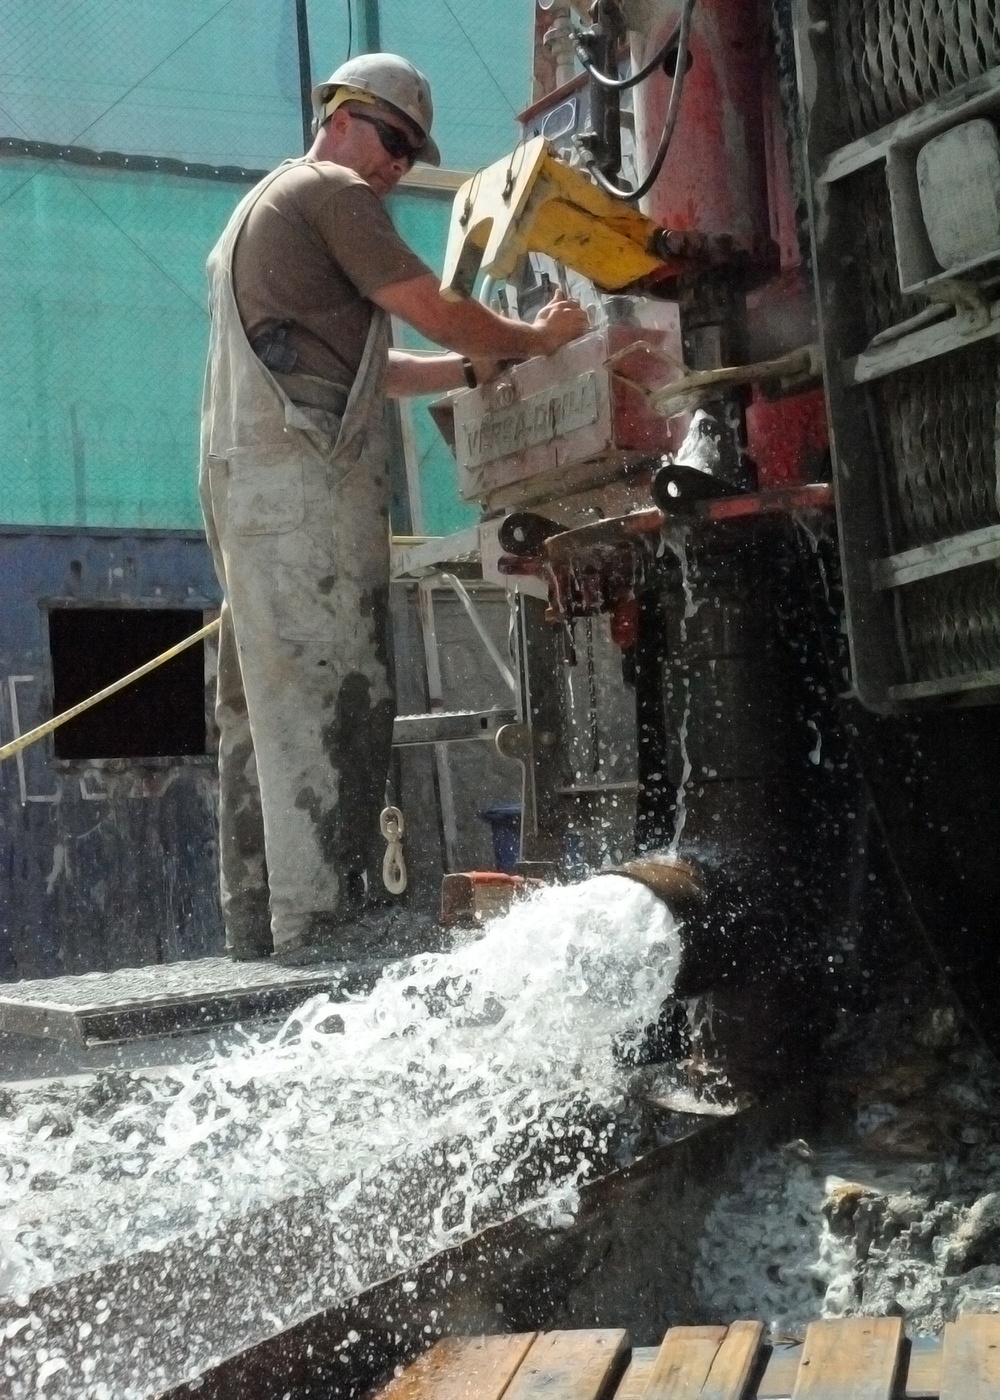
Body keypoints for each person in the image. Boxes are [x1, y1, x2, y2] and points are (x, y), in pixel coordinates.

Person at [200, 52, 588, 966]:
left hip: (251, 482)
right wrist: (537, 338)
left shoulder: (258, 211)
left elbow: (375, 373)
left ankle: (259, 926)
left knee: (260, 711)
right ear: (339, 113)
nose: (397, 165)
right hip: (302, 493)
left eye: (412, 153)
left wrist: (473, 370)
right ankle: (326, 925)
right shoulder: (333, 192)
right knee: (335, 696)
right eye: (393, 138)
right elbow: (434, 308)